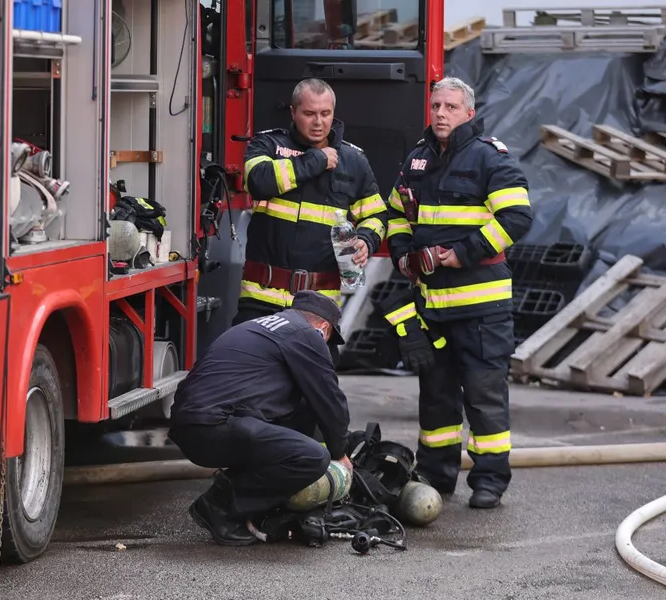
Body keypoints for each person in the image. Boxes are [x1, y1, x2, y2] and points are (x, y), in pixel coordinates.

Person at [381, 76, 533, 509]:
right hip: (432, 308)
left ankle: (488, 482)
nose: (441, 114)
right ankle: (435, 475)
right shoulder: (417, 160)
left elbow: (517, 218)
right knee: (436, 398)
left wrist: (461, 254)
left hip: (482, 308)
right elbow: (395, 212)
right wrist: (402, 254)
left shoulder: (490, 158)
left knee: (484, 399)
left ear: (469, 112)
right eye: (436, 106)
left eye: (450, 107)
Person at [167, 290, 354, 546]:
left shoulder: (265, 327)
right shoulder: (306, 335)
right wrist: (340, 453)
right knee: (312, 457)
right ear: (323, 328)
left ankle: (245, 504)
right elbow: (329, 398)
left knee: (299, 416)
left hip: (192, 426)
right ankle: (219, 506)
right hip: (213, 426)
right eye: (329, 339)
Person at [234, 78, 389, 336]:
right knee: (251, 373)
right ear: (293, 113)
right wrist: (316, 159)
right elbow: (258, 181)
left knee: (314, 377)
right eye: (309, 114)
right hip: (260, 299)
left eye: (325, 114)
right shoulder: (268, 145)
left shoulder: (353, 160)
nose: (319, 122)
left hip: (319, 304)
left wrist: (366, 240)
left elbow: (376, 215)